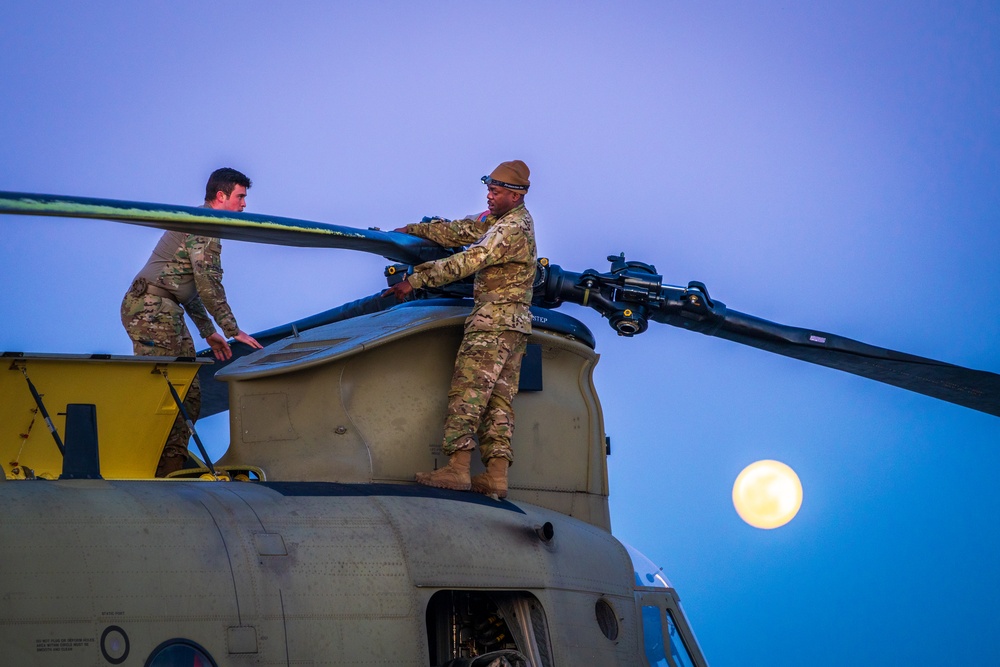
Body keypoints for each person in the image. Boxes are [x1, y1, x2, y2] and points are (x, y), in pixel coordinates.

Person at [385, 160, 537, 498]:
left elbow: (469, 259)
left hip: (492, 322)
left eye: (496, 192)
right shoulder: (502, 221)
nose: (489, 196)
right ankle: (495, 478)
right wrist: (413, 230)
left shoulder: (510, 229)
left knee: (467, 393)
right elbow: (460, 231)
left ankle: (457, 469)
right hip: (515, 326)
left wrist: (415, 280)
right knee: (498, 402)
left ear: (515, 196)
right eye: (489, 189)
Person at [121, 167, 263, 477]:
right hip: (152, 308)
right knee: (169, 391)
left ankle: (169, 467)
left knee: (189, 393)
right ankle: (148, 465)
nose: (243, 205)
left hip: (165, 308)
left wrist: (209, 331)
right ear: (221, 196)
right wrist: (232, 330)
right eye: (240, 197)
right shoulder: (205, 225)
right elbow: (208, 282)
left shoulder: (202, 223)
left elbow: (190, 287)